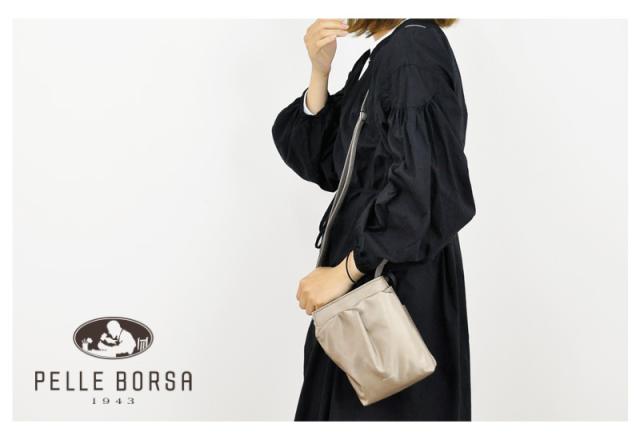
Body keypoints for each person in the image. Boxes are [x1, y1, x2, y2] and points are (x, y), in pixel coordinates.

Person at [271, 18, 476, 421]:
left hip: (394, 295)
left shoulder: (412, 53)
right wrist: (320, 72)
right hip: (369, 288)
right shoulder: (386, 54)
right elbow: (330, 164)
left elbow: (426, 193)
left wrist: (344, 273)